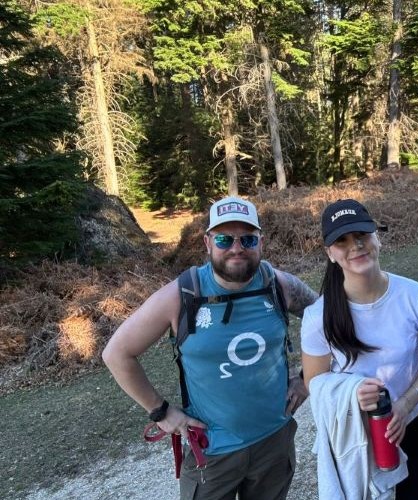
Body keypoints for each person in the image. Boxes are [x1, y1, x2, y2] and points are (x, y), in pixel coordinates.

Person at [103, 196, 318, 500]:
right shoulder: (183, 294)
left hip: (274, 441)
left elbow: (330, 320)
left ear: (261, 243)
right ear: (207, 243)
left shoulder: (278, 285)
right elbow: (117, 353)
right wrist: (161, 412)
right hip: (213, 451)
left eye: (247, 239)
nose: (236, 247)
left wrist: (307, 379)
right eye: (224, 239)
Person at [301, 199, 418, 499]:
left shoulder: (415, 296)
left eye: (361, 235)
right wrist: (352, 391)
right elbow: (314, 383)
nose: (355, 246)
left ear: (377, 237)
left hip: (413, 424)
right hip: (356, 435)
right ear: (329, 253)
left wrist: (405, 404)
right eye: (341, 241)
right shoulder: (318, 317)